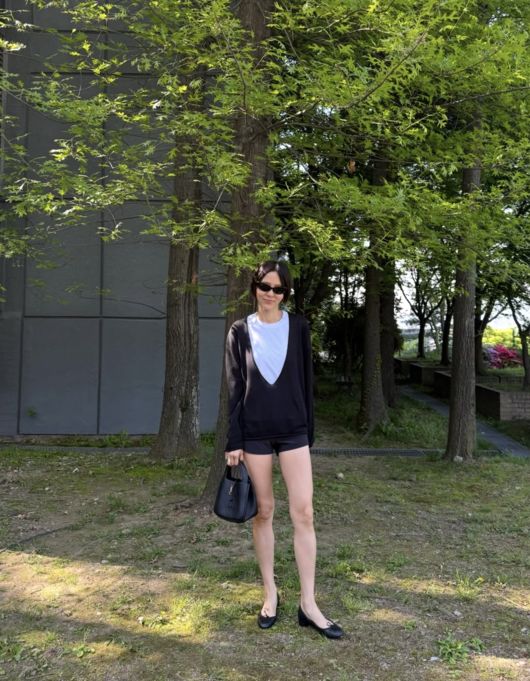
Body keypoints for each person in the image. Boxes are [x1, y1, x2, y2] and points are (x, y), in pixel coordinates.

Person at [224, 260, 343, 639]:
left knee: (304, 512)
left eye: (278, 289)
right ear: (255, 287)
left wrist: (309, 432)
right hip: (255, 434)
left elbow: (307, 382)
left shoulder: (299, 327)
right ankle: (270, 593)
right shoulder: (239, 331)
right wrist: (234, 440)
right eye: (265, 287)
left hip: (293, 431)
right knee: (264, 512)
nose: (270, 294)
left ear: (286, 293)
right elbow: (234, 388)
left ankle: (309, 604)